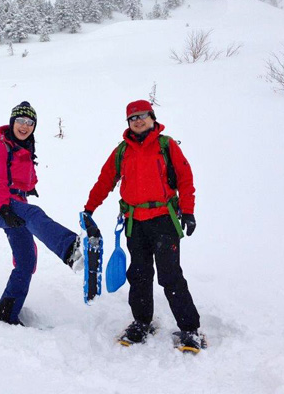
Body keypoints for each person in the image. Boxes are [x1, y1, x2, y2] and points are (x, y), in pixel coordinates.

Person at [82, 100, 202, 350]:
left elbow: (185, 178)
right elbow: (105, 180)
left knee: (170, 275)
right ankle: (141, 322)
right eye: (133, 118)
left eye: (143, 116)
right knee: (139, 274)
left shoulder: (166, 145)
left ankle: (190, 328)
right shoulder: (122, 151)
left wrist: (188, 211)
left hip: (164, 220)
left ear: (152, 117)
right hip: (135, 223)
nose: (138, 121)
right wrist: (90, 208)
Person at [0, 101, 83, 326]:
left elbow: (28, 179)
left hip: (14, 206)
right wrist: (4, 208)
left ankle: (6, 313)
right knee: (34, 214)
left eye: (29, 122)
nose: (24, 126)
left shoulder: (25, 149)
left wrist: (28, 187)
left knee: (26, 260)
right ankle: (71, 249)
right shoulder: (1, 147)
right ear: (12, 122)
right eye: (20, 120)